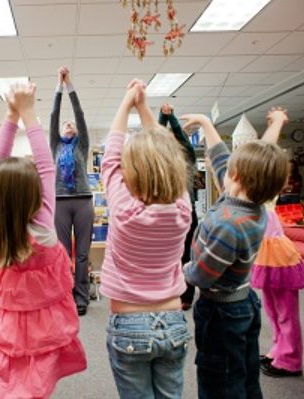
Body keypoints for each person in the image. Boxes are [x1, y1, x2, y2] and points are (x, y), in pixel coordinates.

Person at [0, 82, 87, 398]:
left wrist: (12, 116)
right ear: (35, 196)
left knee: (6, 384)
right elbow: (46, 165)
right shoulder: (42, 228)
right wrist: (26, 113)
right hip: (40, 334)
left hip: (6, 334)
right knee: (35, 384)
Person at [181, 109, 290, 398]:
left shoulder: (229, 224)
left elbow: (202, 275)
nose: (221, 167)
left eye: (229, 168)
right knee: (243, 371)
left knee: (220, 379)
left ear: (237, 176)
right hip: (242, 303)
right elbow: (228, 159)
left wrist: (180, 270)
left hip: (221, 312)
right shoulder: (253, 203)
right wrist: (206, 123)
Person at [100, 80, 192, 398]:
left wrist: (127, 103)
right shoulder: (183, 210)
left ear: (131, 172)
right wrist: (143, 108)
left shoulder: (124, 210)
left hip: (128, 324)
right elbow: (171, 156)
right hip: (173, 320)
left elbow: (110, 158)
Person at [250, 109, 304, 378]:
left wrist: (277, 123)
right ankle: (278, 349)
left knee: (286, 312)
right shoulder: (254, 198)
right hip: (266, 257)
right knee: (274, 310)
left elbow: (265, 154)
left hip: (279, 258)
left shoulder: (264, 195)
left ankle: (291, 359)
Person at [50, 67, 94, 316]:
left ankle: (81, 298)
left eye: (71, 125)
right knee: (63, 254)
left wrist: (71, 86)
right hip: (60, 202)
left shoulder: (82, 145)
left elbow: (79, 114)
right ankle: (64, 295)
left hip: (83, 201)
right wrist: (59, 86)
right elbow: (54, 116)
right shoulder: (55, 145)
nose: (68, 125)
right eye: (65, 124)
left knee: (82, 255)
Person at [159, 102, 199, 311]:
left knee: (186, 256)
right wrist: (162, 118)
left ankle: (186, 296)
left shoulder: (188, 159)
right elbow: (155, 141)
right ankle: (168, 292)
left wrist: (171, 118)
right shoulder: (161, 164)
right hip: (166, 213)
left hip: (187, 214)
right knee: (167, 256)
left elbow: (182, 140)